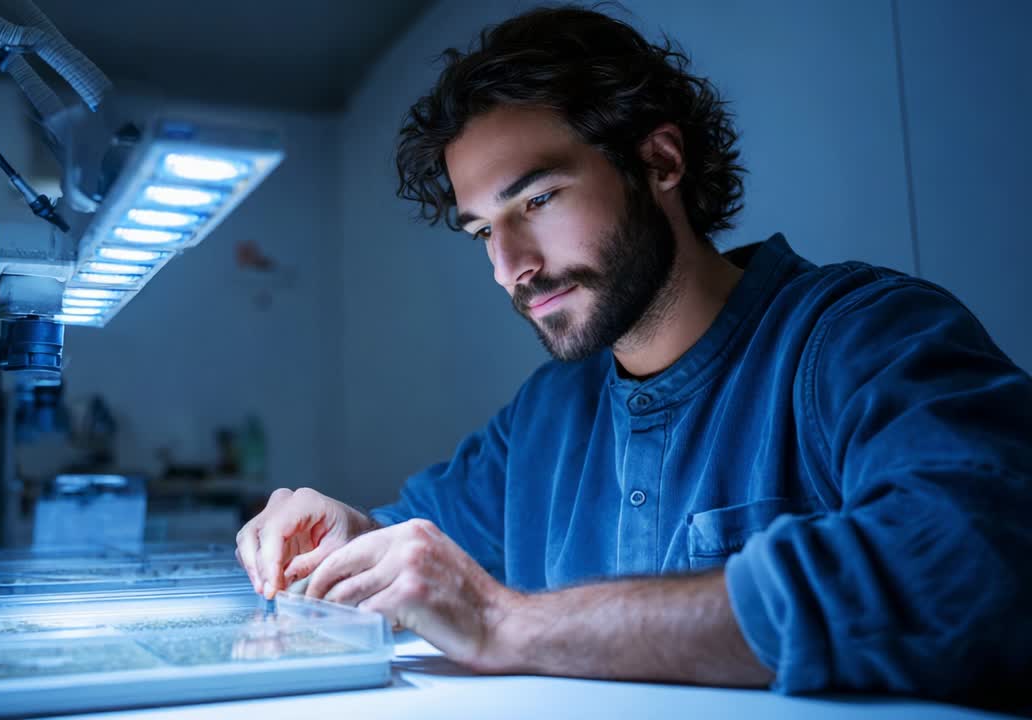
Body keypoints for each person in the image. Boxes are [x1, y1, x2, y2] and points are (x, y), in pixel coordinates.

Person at [235, 5, 1032, 703]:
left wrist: (505, 623)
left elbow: (980, 565)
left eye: (536, 200)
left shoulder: (864, 337)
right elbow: (417, 548)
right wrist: (346, 533)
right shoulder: (547, 416)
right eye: (482, 230)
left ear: (660, 163)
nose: (511, 265)